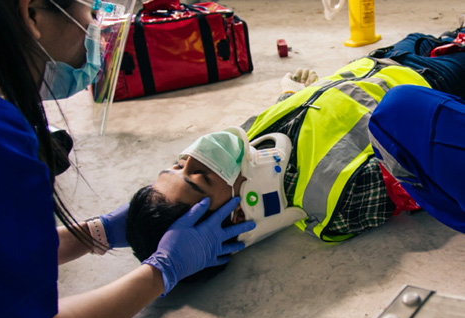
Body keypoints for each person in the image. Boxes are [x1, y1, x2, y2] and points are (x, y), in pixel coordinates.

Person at [0, 0, 255, 318]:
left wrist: (93, 234)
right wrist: (160, 274)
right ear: (31, 14)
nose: (94, 18)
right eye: (89, 4)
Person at [126, 25, 465, 266]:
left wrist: (291, 95)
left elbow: (279, 123)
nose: (195, 155)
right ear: (239, 215)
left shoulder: (250, 142)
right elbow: (420, 174)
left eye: (177, 162)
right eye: (200, 178)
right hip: (435, 82)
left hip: (384, 58)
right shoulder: (331, 206)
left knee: (449, 33)